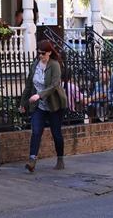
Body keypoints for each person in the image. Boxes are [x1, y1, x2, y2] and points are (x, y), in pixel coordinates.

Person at [19, 40, 68, 172]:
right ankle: (32, 159)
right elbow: (29, 84)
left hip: (55, 105)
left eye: (43, 53)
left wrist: (39, 95)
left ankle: (60, 159)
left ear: (50, 52)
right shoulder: (35, 64)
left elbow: (54, 85)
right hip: (39, 106)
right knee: (36, 132)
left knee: (56, 133)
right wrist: (23, 103)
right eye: (39, 53)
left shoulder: (54, 65)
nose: (40, 56)